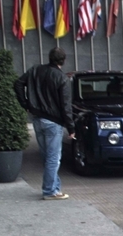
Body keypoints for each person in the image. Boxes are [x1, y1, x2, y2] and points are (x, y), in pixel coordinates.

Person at [14, 47, 74, 200]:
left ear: (49, 58)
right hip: (53, 123)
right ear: (63, 60)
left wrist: (26, 104)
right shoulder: (62, 79)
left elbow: (18, 84)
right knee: (53, 158)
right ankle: (49, 191)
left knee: (47, 156)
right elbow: (66, 106)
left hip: (37, 119)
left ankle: (55, 188)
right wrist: (71, 128)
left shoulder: (35, 70)